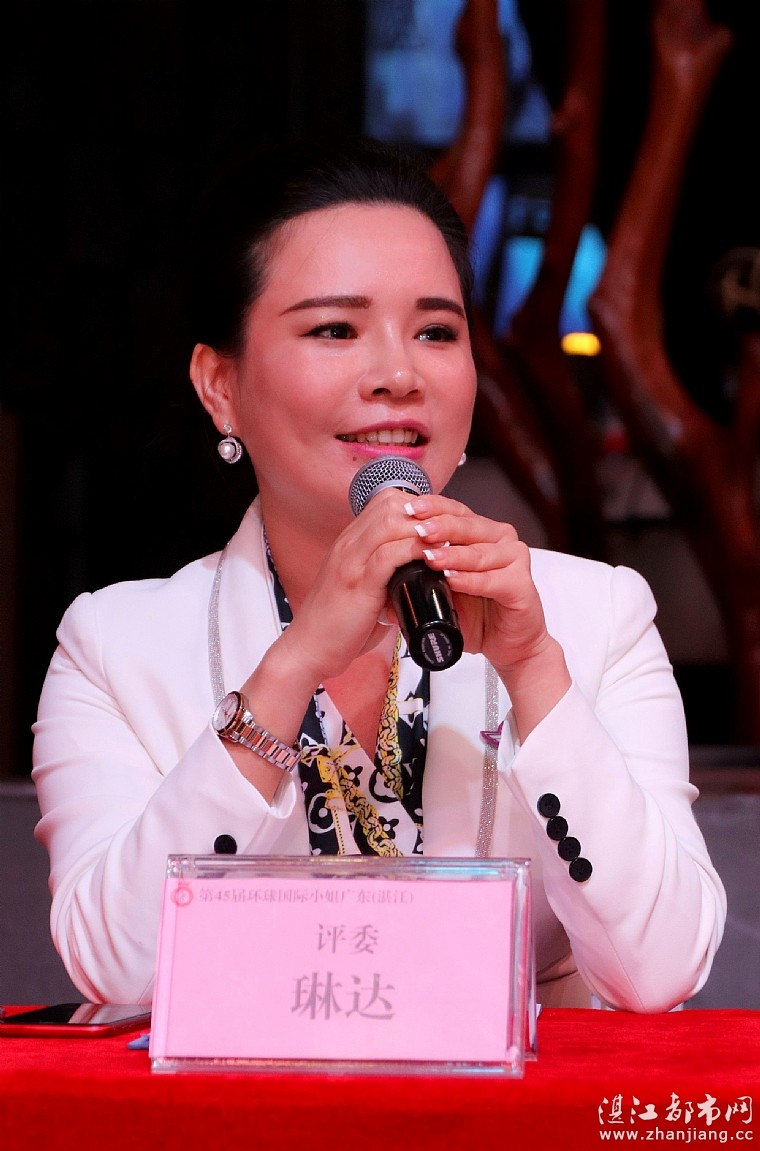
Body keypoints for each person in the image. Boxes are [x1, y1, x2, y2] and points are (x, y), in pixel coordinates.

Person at [32, 138, 725, 1010]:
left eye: (436, 331)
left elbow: (662, 973)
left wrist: (535, 671)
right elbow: (116, 967)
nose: (399, 374)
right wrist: (290, 669)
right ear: (220, 386)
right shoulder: (114, 647)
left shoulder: (597, 615)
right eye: (335, 329)